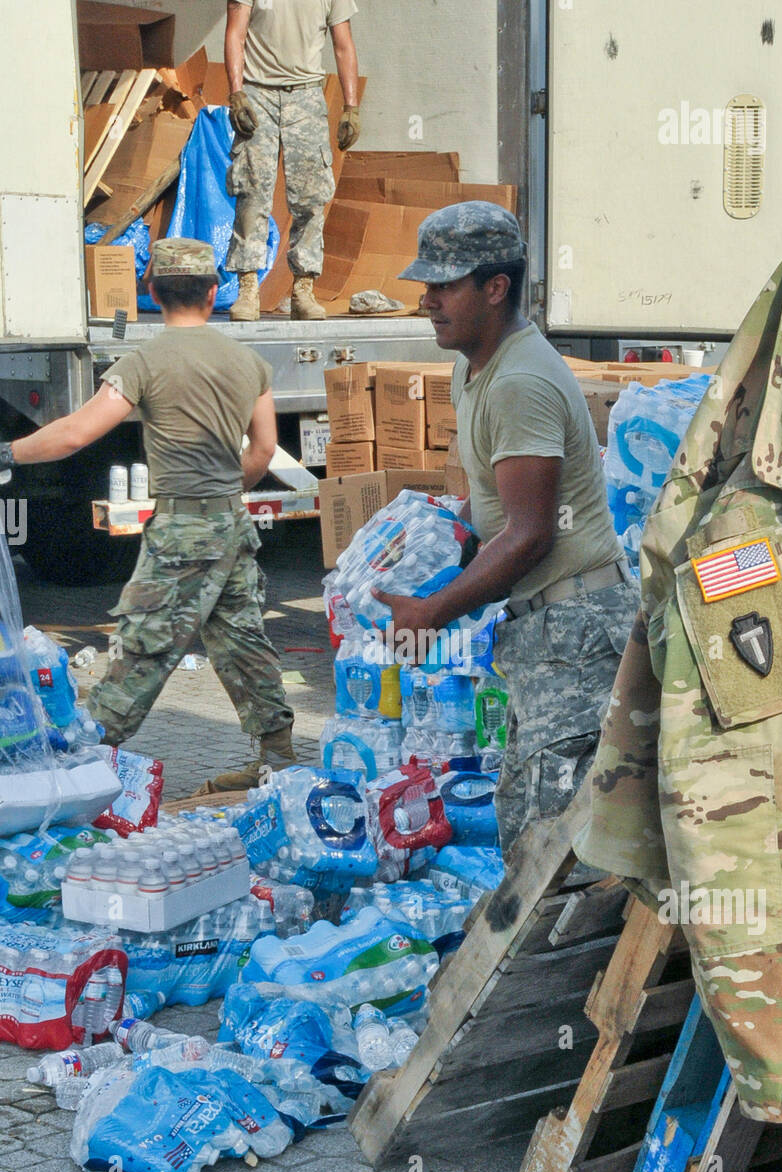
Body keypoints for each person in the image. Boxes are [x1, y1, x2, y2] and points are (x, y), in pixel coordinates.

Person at [381, 201, 639, 845]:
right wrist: (429, 544)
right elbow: (490, 510)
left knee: (559, 847)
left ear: (495, 287)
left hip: (576, 634)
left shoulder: (519, 379)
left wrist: (433, 611)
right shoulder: (472, 370)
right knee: (525, 829)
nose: (429, 301)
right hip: (542, 633)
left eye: (444, 286)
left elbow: (531, 534)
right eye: (426, 286)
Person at [0, 238, 296, 770]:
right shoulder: (248, 362)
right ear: (214, 291)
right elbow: (263, 449)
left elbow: (74, 435)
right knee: (242, 638)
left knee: (144, 643)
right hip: (232, 523)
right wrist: (221, 490)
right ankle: (281, 755)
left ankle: (86, 759)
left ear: (152, 291)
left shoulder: (144, 361)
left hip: (179, 530)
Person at [224, 0, 361, 323]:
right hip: (258, 94)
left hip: (307, 96)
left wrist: (351, 107)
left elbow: (344, 46)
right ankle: (248, 289)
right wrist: (236, 93)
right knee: (252, 191)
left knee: (311, 196)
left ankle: (303, 289)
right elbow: (235, 35)